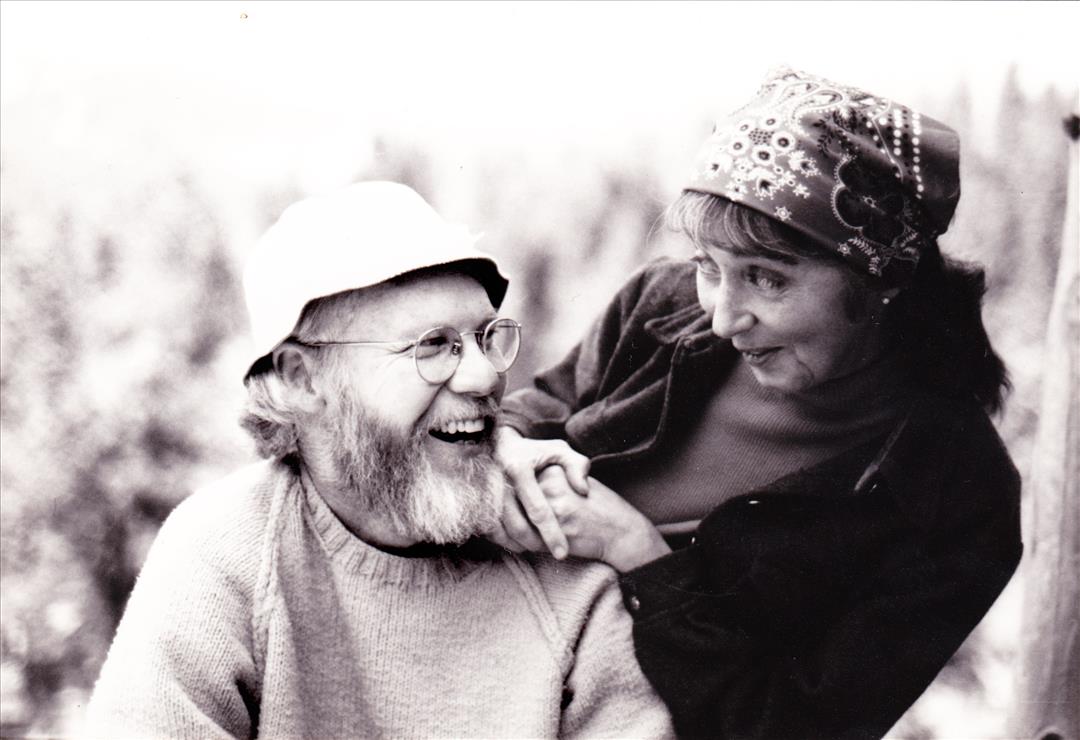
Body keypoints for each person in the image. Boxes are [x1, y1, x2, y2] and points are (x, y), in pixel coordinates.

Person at [494, 67, 1023, 739]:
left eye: (765, 280)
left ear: (879, 282)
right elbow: (537, 410)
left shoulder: (957, 499)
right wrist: (514, 450)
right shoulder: (660, 306)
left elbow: (788, 725)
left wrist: (642, 558)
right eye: (708, 267)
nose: (721, 318)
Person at [85, 182, 673, 739]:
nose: (485, 375)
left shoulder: (562, 558)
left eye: (486, 337)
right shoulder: (225, 549)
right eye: (432, 346)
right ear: (300, 379)